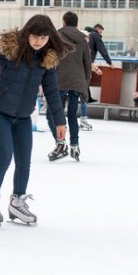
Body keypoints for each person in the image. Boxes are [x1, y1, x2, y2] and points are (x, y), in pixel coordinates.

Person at [0, 15, 71, 225]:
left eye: (43, 37)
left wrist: (59, 122)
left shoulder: (47, 59)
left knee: (24, 162)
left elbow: (52, 92)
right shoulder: (11, 49)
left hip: (22, 117)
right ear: (27, 33)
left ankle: (17, 202)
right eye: (35, 36)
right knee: (4, 157)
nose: (38, 41)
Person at [46, 11, 91, 162]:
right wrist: (85, 84)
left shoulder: (56, 37)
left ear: (64, 22)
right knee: (72, 114)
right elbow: (87, 65)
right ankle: (74, 145)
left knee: (51, 114)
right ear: (77, 24)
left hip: (59, 81)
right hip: (77, 83)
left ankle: (60, 144)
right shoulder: (83, 40)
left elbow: (49, 59)